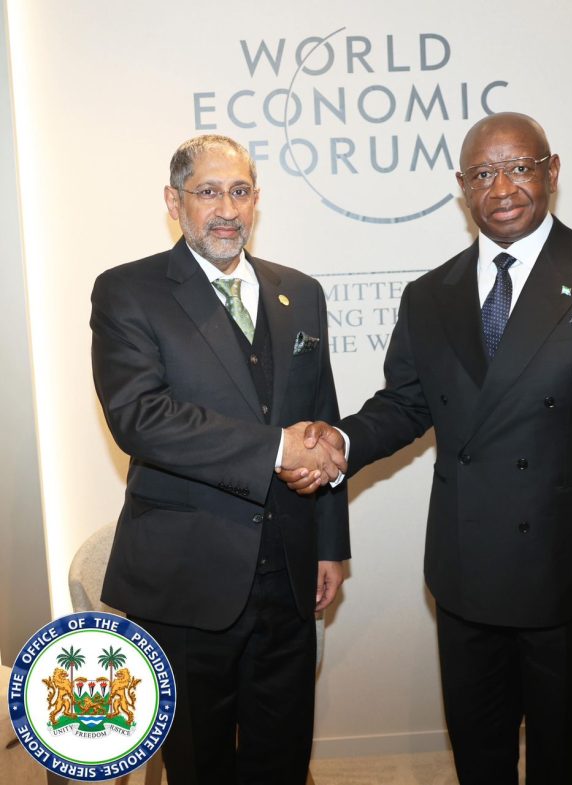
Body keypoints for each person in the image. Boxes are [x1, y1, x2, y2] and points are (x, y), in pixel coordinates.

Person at [280, 113, 572, 785]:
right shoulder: (429, 294)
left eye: (519, 167)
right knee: (480, 756)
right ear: (462, 187)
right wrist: (340, 439)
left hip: (569, 574)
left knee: (562, 760)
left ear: (551, 171)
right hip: (464, 572)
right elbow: (406, 403)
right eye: (483, 173)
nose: (503, 187)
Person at [90, 134, 349, 785]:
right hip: (186, 582)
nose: (225, 208)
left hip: (289, 578)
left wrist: (330, 544)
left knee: (283, 758)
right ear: (174, 201)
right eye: (208, 191)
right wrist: (276, 449)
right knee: (200, 766)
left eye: (239, 192)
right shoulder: (129, 292)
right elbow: (139, 418)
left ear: (256, 200)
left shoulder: (302, 292)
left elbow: (323, 424)